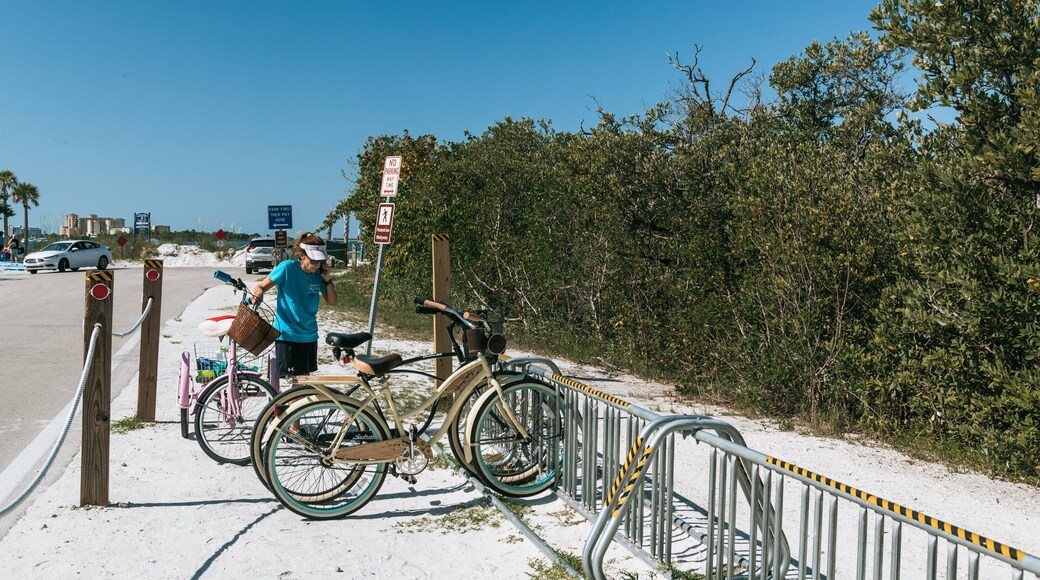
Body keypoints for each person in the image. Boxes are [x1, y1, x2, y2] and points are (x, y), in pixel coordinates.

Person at [251, 232, 337, 378]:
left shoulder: (319, 274)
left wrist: (327, 279)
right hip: (288, 335)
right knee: (295, 383)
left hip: (309, 335)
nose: (316, 265)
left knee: (305, 379)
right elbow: (261, 286)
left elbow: (333, 302)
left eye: (319, 262)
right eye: (313, 261)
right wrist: (258, 293)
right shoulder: (287, 268)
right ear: (302, 255)